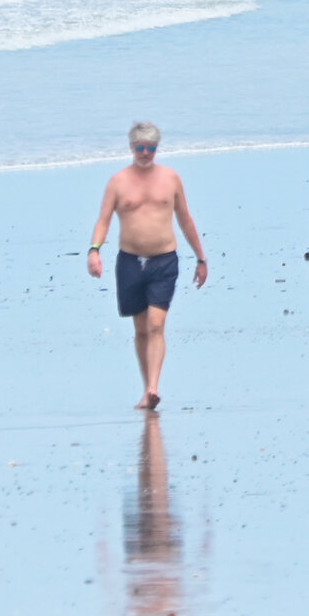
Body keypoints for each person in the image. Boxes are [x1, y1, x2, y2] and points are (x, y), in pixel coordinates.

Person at [86, 121, 209, 410]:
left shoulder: (171, 178)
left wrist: (201, 258)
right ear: (131, 147)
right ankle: (146, 389)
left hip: (164, 259)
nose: (145, 153)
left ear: (157, 148)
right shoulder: (118, 182)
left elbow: (186, 219)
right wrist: (94, 251)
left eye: (151, 148)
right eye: (140, 148)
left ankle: (154, 386)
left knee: (156, 324)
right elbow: (103, 220)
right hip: (129, 261)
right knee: (141, 329)